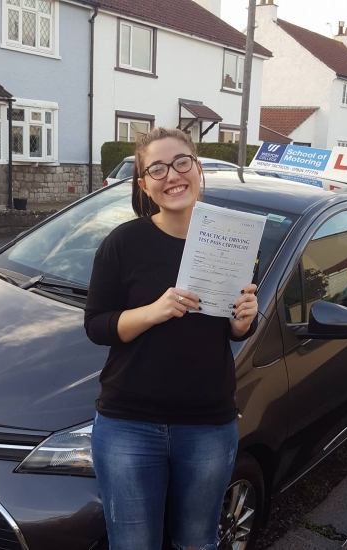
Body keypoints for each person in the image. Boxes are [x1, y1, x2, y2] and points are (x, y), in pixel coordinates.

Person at [84, 127, 258, 550]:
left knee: (196, 543)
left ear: (197, 168)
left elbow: (233, 324)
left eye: (181, 162)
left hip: (207, 424)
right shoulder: (124, 242)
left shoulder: (232, 237)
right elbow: (97, 326)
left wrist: (243, 321)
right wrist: (154, 311)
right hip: (128, 422)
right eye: (156, 168)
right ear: (144, 184)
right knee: (132, 545)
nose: (172, 175)